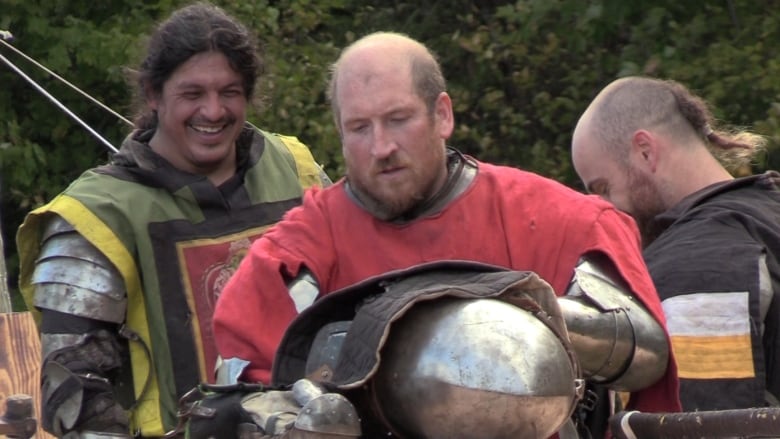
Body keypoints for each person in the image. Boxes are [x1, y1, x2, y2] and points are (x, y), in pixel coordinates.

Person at [211, 32, 681, 438]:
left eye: (398, 119)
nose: (382, 147)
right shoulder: (297, 255)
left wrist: (525, 316)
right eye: (359, 128)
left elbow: (646, 354)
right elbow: (238, 400)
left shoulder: (554, 220)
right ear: (339, 132)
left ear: (442, 115)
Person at [15, 2, 330, 437]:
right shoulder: (97, 217)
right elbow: (78, 396)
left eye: (230, 91)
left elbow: (350, 313)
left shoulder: (296, 170)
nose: (214, 111)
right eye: (193, 93)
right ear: (153, 93)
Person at [571, 76, 780, 411]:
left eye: (604, 188)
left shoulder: (696, 263)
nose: (608, 210)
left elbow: (703, 423)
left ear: (645, 151)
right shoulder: (767, 216)